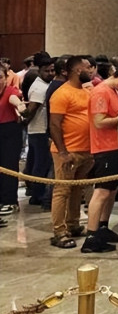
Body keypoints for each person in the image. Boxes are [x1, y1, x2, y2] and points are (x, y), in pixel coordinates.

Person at [81, 64, 118, 253]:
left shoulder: (113, 91)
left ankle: (103, 226)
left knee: (112, 190)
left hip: (116, 146)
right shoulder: (101, 92)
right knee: (102, 192)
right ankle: (91, 236)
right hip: (105, 148)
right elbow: (99, 122)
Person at [48, 56, 95, 249]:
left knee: (77, 189)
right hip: (67, 151)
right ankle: (59, 232)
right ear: (78, 71)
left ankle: (73, 224)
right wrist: (63, 152)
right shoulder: (61, 94)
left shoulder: (86, 91)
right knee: (62, 191)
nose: (91, 71)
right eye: (88, 68)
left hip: (86, 150)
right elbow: (54, 125)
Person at [23, 56, 55, 208]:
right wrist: (23, 122)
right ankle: (38, 195)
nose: (50, 73)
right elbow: (31, 110)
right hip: (39, 130)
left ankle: (35, 192)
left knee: (37, 162)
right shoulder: (39, 88)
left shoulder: (44, 85)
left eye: (52, 70)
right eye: (46, 71)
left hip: (38, 130)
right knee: (41, 164)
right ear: (40, 71)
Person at [0, 65, 25, 217]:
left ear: (5, 78)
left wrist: (20, 106)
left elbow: (15, 100)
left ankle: (10, 201)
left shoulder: (10, 91)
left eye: (0, 77)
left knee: (9, 165)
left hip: (9, 132)